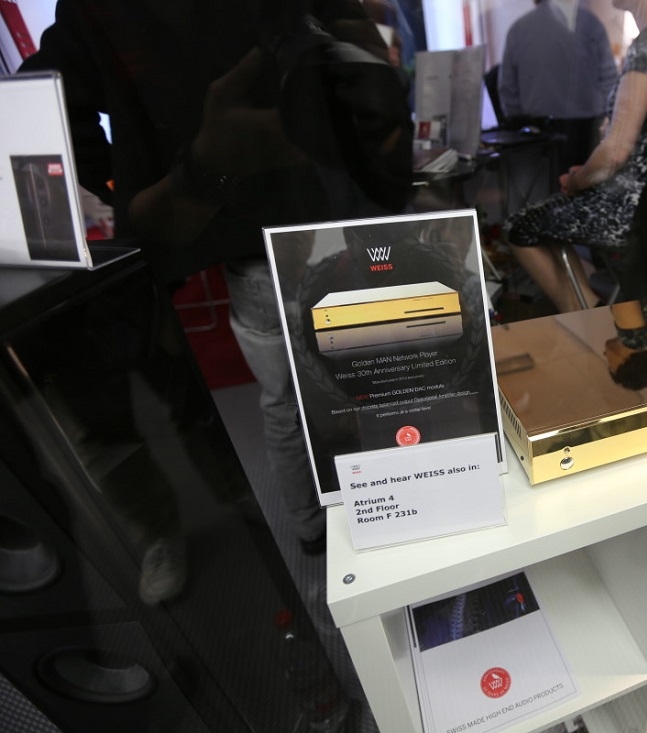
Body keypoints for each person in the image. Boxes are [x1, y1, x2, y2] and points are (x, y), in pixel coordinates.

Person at [20, 0, 414, 563]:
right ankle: (368, 513)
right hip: (307, 211)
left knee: (300, 393)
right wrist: (152, 179)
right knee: (361, 379)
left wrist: (147, 179)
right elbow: (374, 81)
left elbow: (43, 93)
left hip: (257, 221)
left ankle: (321, 522)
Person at [503, 0, 647, 313]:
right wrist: (587, 171)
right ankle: (591, 312)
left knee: (519, 227)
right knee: (549, 219)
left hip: (632, 210)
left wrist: (577, 181)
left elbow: (615, 152)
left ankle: (589, 318)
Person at [498, 0, 618, 170]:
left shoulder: (518, 29)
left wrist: (519, 121)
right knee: (580, 181)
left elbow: (507, 87)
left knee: (542, 182)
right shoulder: (591, 24)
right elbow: (610, 80)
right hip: (585, 128)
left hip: (536, 131)